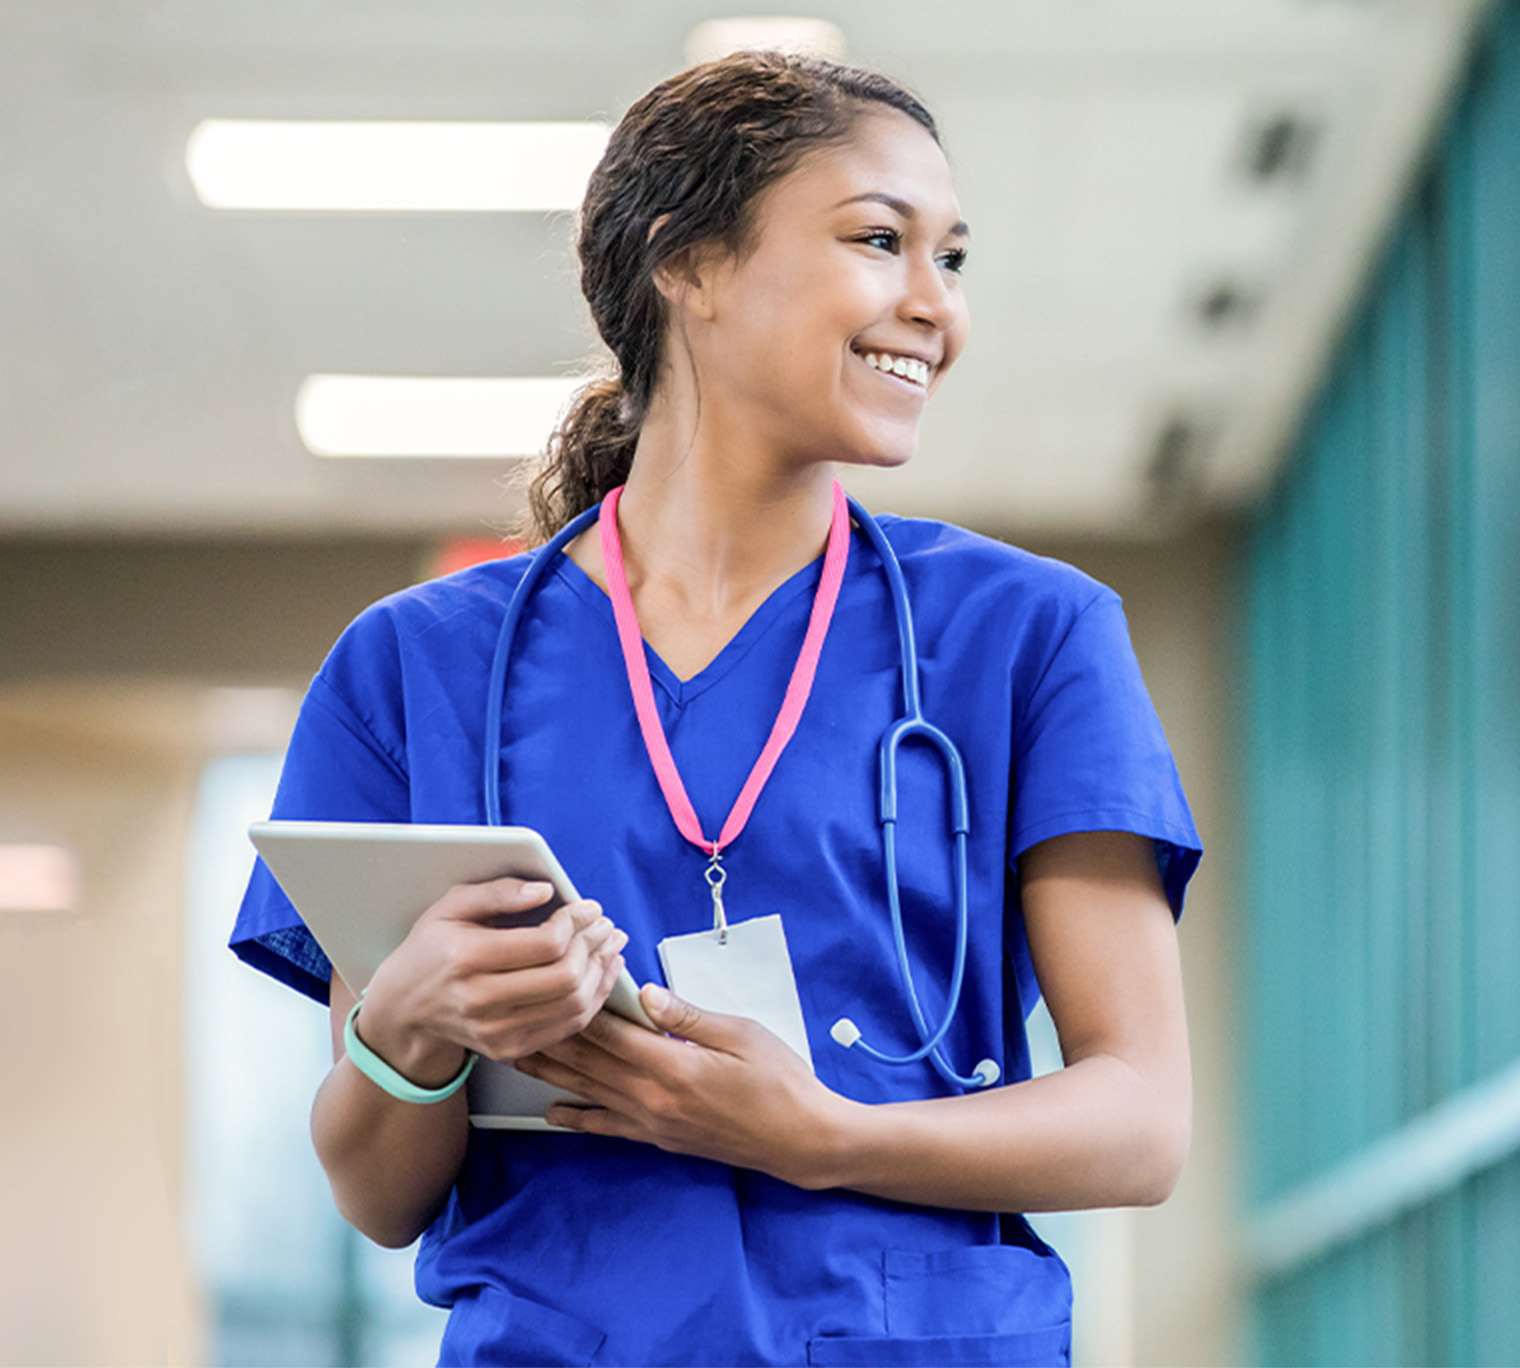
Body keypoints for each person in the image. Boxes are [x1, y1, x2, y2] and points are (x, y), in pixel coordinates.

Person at [233, 49, 1199, 1368]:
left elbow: (1141, 1122)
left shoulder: (1028, 636)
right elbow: (376, 1194)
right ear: (688, 265)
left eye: (953, 259)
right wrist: (413, 1025)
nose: (936, 306)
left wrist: (823, 1135)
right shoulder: (416, 668)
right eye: (880, 241)